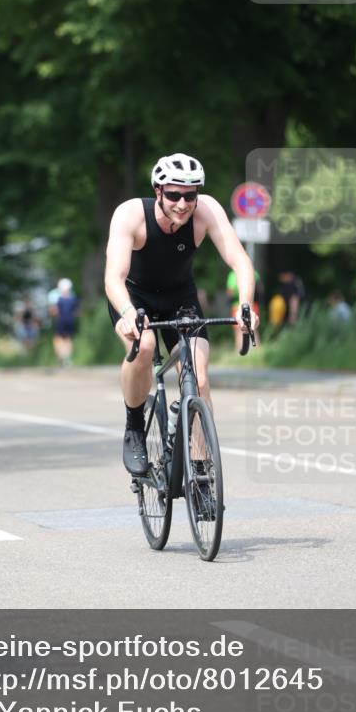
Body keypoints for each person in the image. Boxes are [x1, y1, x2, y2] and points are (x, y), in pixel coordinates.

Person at [104, 152, 259, 476]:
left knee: (199, 377)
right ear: (158, 190)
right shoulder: (131, 214)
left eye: (190, 195)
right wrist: (128, 312)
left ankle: (200, 467)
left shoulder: (207, 211)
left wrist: (245, 305)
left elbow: (240, 261)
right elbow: (113, 277)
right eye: (174, 194)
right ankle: (134, 426)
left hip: (179, 297)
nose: (182, 204)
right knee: (144, 347)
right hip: (133, 297)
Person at [226, 268, 261, 350]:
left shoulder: (232, 274)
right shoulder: (254, 272)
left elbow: (229, 292)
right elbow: (259, 289)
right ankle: (257, 350)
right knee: (253, 327)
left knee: (238, 329)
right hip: (252, 304)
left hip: (236, 305)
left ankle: (239, 350)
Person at [52, 278, 79, 367]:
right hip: (70, 320)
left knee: (58, 338)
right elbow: (76, 312)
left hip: (61, 321)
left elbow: (55, 311)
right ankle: (67, 358)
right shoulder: (73, 298)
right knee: (68, 339)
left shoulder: (59, 299)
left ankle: (61, 356)